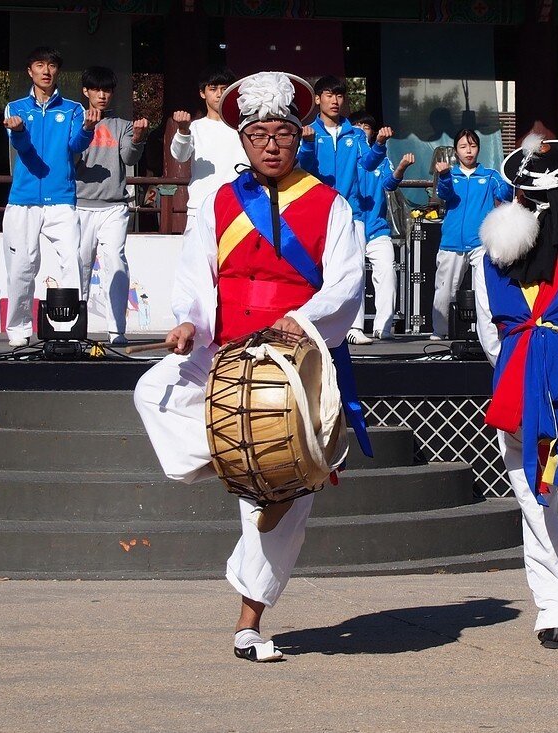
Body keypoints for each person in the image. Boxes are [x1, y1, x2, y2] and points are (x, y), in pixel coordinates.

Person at [134, 71, 365, 662]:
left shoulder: (328, 204)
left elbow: (345, 284)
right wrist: (188, 322)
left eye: (281, 134)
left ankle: (249, 622)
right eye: (257, 133)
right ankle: (227, 453)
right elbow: (195, 278)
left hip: (298, 363)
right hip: (228, 354)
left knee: (281, 502)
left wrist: (306, 319)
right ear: (243, 140)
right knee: (152, 390)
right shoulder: (219, 202)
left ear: (298, 137)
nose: (269, 144)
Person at [474, 136, 558, 649]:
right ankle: (557, 606)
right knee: (543, 495)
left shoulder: (488, 260)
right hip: (534, 395)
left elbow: (495, 338)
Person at [2, 46, 97, 347]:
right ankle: (18, 330)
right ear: (30, 70)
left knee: (72, 261)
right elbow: (25, 150)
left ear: (58, 71)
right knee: (22, 267)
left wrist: (88, 129)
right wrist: (17, 133)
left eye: (52, 65)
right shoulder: (15, 108)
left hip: (61, 200)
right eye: (39, 65)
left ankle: (67, 326)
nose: (46, 71)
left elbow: (74, 146)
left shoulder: (72, 109)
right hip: (23, 200)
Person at [294, 80, 394, 345]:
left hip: (353, 213)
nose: (335, 100)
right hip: (319, 212)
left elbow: (368, 163)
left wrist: (380, 145)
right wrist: (306, 145)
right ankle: (311, 323)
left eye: (339, 95)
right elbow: (304, 169)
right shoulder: (308, 131)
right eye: (329, 95)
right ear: (318, 99)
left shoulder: (356, 134)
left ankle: (355, 327)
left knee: (354, 270)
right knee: (317, 270)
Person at [75, 66, 148, 345]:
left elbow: (129, 158)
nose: (102, 95)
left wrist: (139, 140)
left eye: (107, 90)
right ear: (86, 92)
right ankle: (74, 330)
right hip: (80, 205)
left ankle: (117, 331)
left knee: (116, 263)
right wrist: (85, 131)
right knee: (79, 266)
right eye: (96, 89)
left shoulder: (122, 125)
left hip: (114, 206)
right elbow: (69, 160)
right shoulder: (74, 119)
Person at [432, 128, 513, 339]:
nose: (469, 151)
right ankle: (441, 331)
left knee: (484, 287)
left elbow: (505, 195)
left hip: (480, 242)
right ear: (456, 151)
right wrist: (444, 175)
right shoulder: (449, 174)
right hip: (451, 242)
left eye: (473, 145)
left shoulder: (490, 176)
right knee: (445, 290)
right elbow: (444, 194)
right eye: (463, 146)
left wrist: (513, 179)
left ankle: (485, 331)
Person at [348, 112, 415, 342]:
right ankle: (354, 328)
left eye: (366, 126)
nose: (362, 129)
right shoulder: (347, 156)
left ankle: (383, 326)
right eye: (357, 125)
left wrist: (402, 167)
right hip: (350, 225)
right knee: (354, 275)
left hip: (377, 226)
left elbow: (389, 184)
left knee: (387, 270)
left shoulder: (382, 159)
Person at [169, 66, 248, 236]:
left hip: (239, 206)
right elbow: (180, 156)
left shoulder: (244, 128)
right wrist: (183, 131)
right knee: (198, 262)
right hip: (201, 206)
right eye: (213, 89)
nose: (219, 94)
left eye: (224, 89)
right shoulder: (195, 128)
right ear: (202, 93)